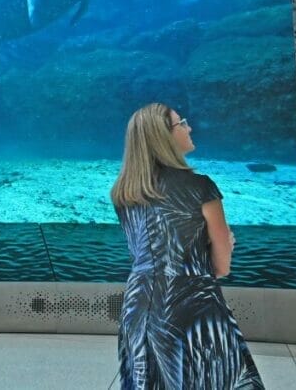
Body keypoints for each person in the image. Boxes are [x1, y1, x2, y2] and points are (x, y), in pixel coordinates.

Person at [111, 103, 263, 389]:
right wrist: (220, 245)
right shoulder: (201, 187)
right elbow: (221, 267)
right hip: (191, 307)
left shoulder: (123, 193)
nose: (189, 127)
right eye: (181, 123)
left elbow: (150, 253)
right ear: (163, 135)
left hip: (137, 304)